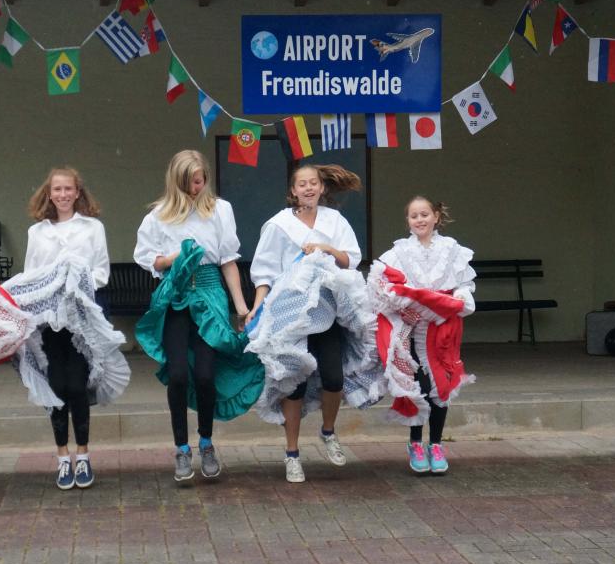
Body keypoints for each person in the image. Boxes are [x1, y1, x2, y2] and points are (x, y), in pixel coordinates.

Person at [133, 150, 264, 483]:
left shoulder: (220, 210)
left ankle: (206, 442)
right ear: (177, 181)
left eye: (201, 180)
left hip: (210, 293)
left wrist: (241, 308)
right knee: (178, 374)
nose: (197, 187)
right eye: (191, 182)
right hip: (175, 295)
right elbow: (150, 260)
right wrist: (174, 258)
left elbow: (228, 262)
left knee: (206, 375)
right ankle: (181, 448)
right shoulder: (158, 216)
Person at [247, 164, 383, 483]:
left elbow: (350, 260)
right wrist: (256, 307)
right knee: (293, 384)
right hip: (290, 316)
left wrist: (325, 248)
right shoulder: (279, 225)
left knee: (334, 379)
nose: (308, 188)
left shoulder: (335, 220)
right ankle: (292, 453)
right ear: (293, 191)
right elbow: (264, 271)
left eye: (313, 183)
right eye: (302, 184)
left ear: (322, 188)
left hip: (328, 311)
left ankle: (328, 431)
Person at [7, 166, 129, 490]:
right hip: (49, 321)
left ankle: (83, 455)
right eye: (57, 189)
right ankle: (62, 457)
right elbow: (31, 275)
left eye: (68, 189)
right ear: (49, 194)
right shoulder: (37, 232)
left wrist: (76, 284)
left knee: (77, 385)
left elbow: (101, 271)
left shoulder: (92, 228)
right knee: (57, 386)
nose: (62, 194)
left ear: (78, 192)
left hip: (81, 319)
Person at [368, 197, 476, 475]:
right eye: (414, 216)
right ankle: (416, 443)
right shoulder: (398, 253)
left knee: (442, 385)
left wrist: (457, 300)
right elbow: (383, 290)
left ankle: (436, 444)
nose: (420, 220)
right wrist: (403, 308)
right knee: (418, 385)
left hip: (442, 329)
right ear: (408, 221)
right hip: (410, 332)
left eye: (425, 214)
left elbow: (464, 284)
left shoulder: (452, 249)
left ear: (436, 216)